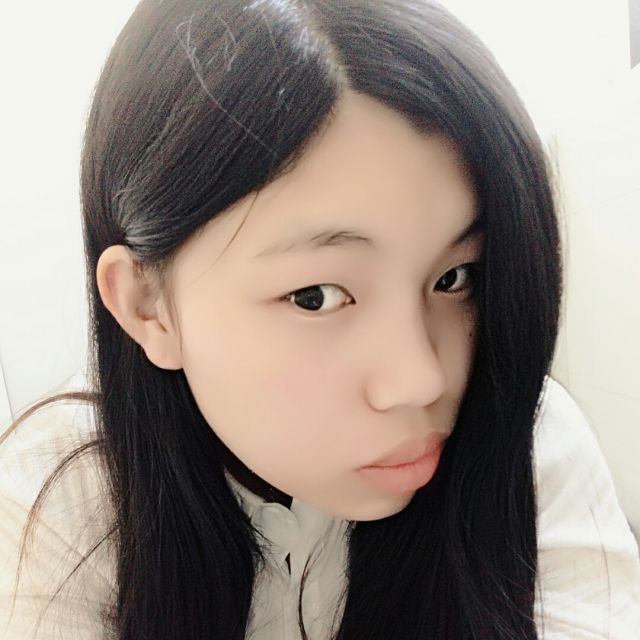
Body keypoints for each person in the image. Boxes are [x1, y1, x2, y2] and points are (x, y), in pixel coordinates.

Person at [1, 0, 639, 638]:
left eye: (454, 278)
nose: (422, 379)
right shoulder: (56, 506)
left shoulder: (528, 441)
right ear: (149, 306)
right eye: (316, 296)